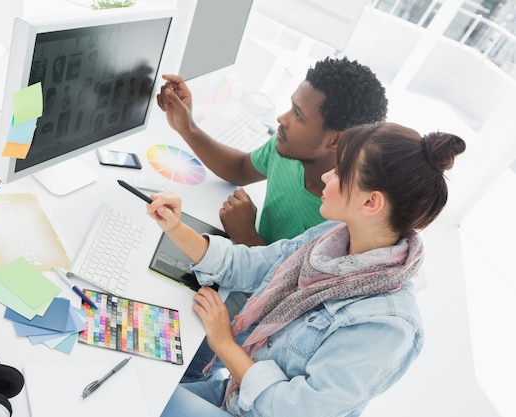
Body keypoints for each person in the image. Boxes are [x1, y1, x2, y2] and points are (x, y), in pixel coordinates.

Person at [146, 122, 465, 417]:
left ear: (371, 203)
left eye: (340, 172)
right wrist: (175, 227)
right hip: (237, 394)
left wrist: (224, 342)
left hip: (257, 408)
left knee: (137, 400)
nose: (327, 177)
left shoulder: (388, 326)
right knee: (142, 383)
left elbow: (291, 410)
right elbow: (252, 266)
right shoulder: (330, 238)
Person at [156, 57, 388, 247]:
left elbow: (298, 292)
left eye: (298, 115)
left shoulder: (347, 222)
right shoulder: (289, 150)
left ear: (336, 139)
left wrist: (247, 237)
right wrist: (187, 127)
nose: (282, 119)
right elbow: (240, 168)